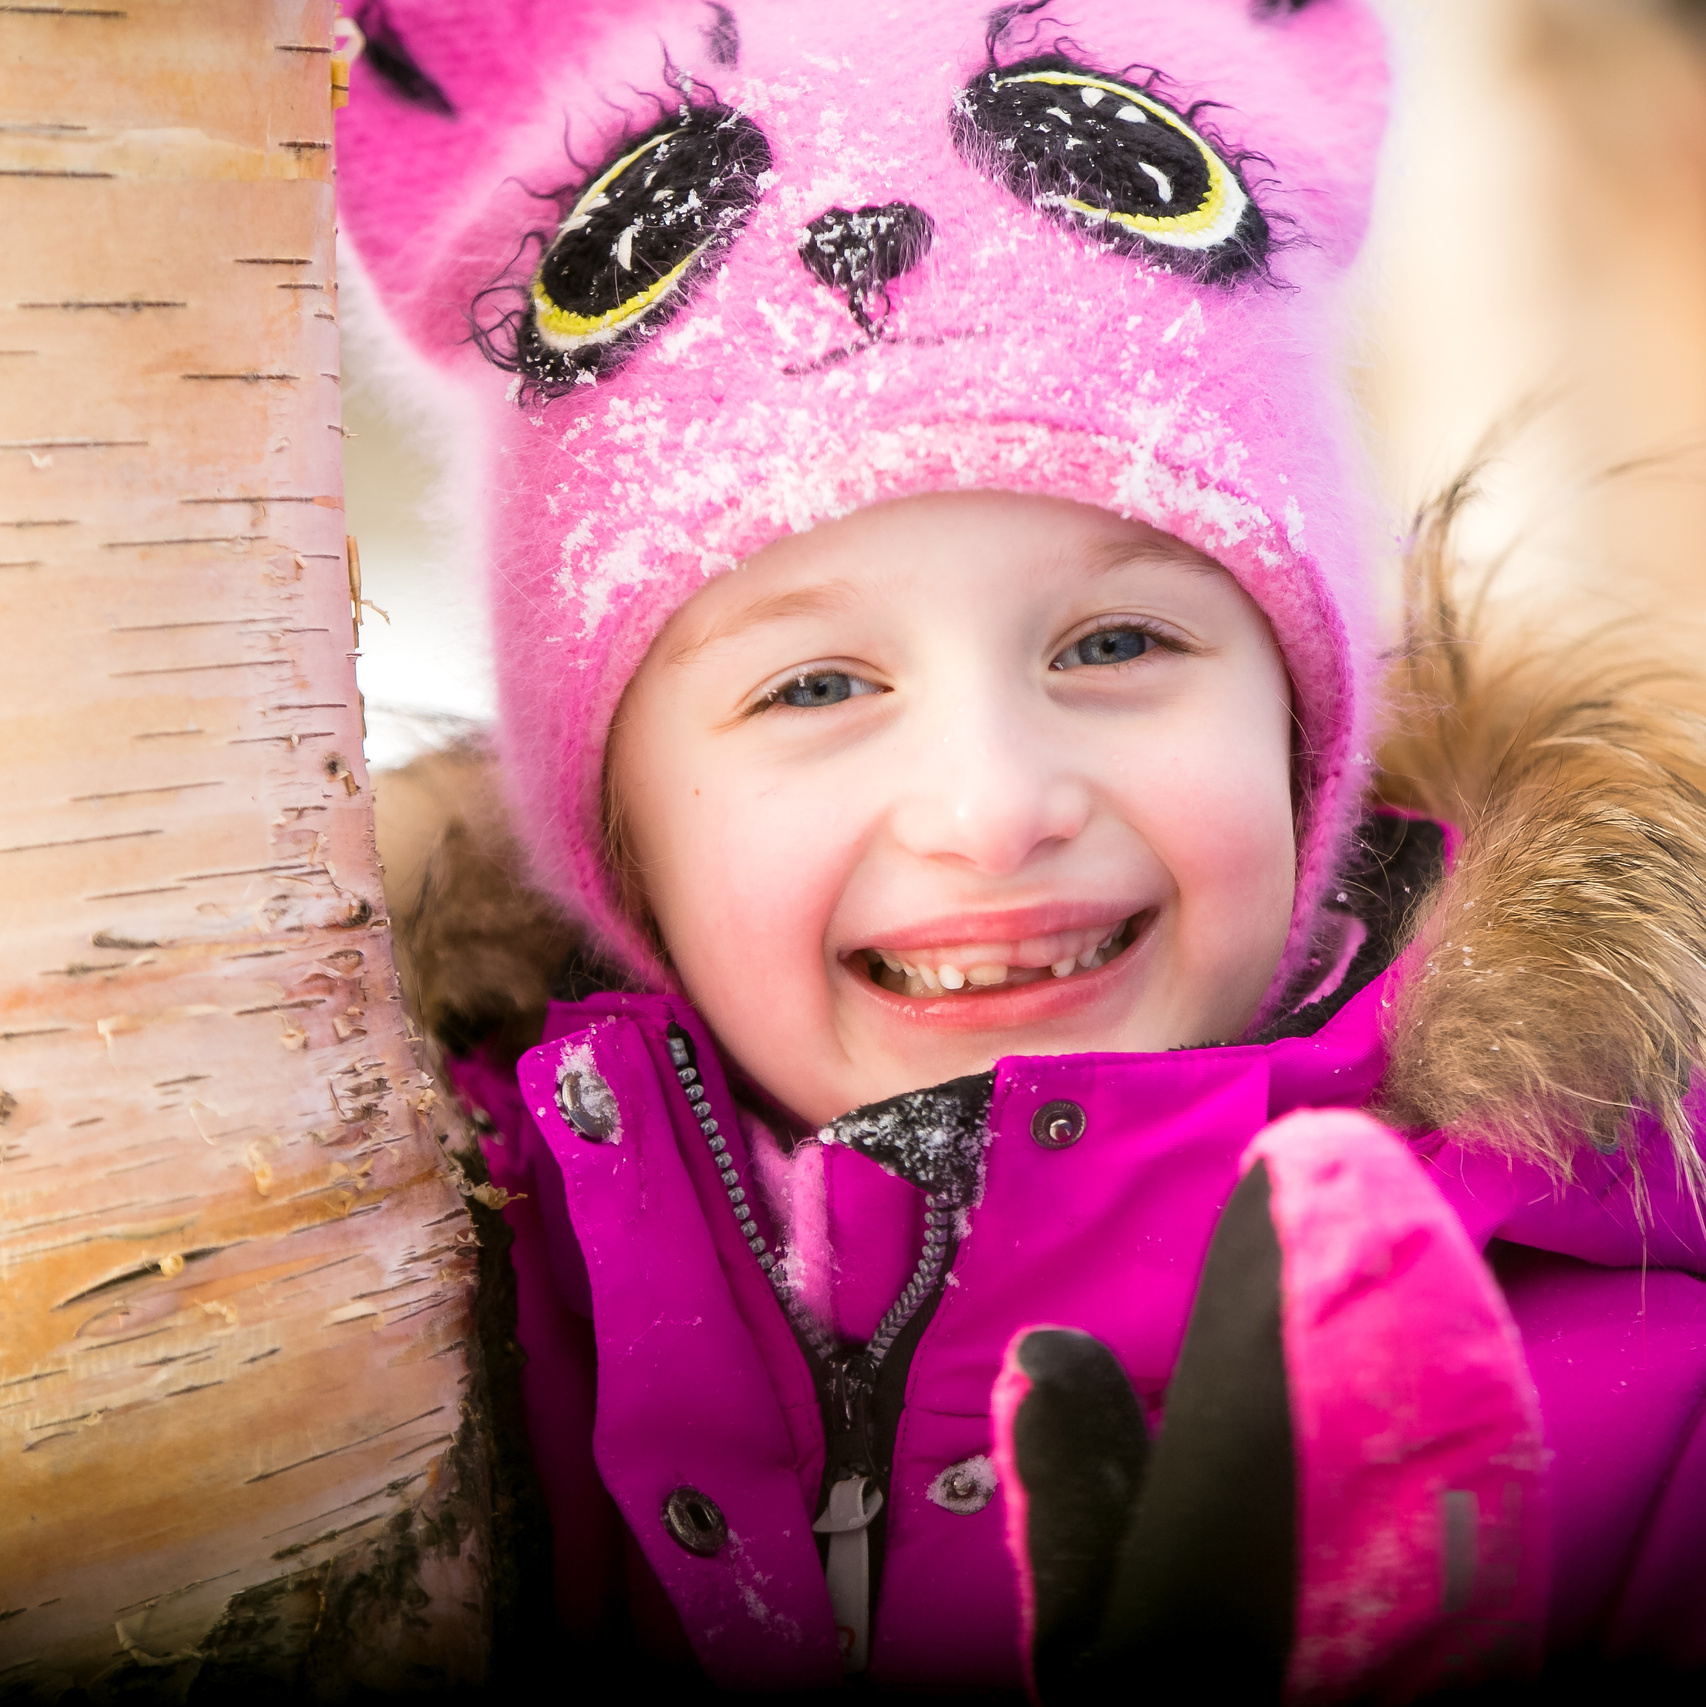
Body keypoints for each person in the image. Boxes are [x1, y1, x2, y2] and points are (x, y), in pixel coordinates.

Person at [338, 0, 1706, 1695]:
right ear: (614, 828)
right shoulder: (411, 1328)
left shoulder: (1639, 1356)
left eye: (1114, 647)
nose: (992, 805)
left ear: (1299, 740)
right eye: (816, 684)